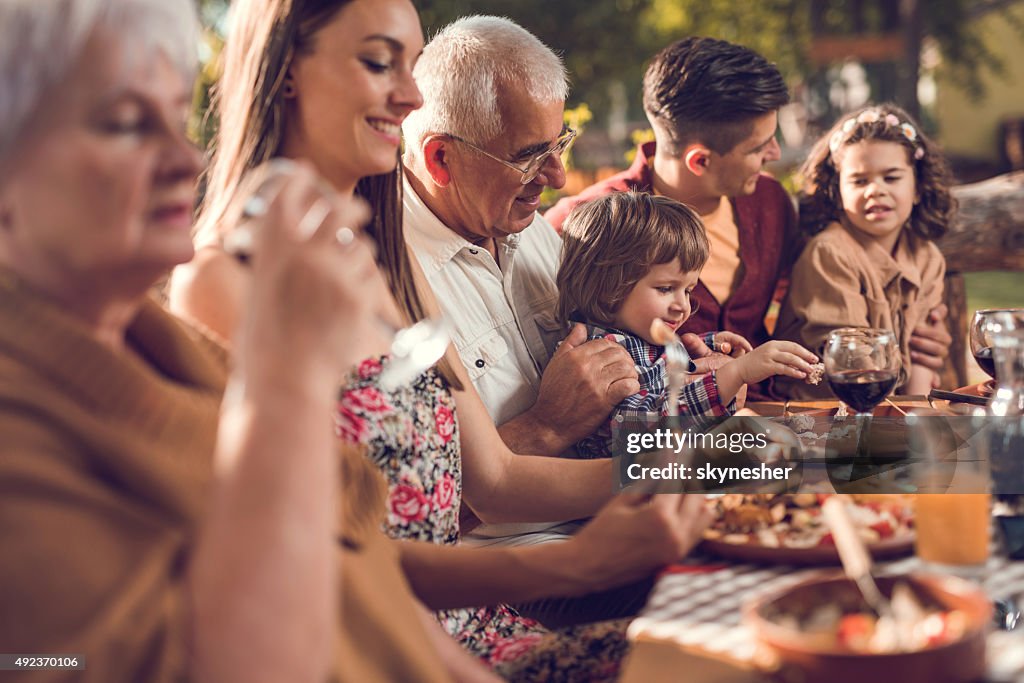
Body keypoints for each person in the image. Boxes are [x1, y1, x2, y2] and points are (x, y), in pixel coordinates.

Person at [171, 1, 713, 677]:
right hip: (448, 614)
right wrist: (590, 539)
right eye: (379, 62)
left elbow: (494, 473)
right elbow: (338, 554)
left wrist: (770, 458)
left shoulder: (387, 252)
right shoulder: (226, 280)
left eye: (558, 148)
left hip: (482, 605)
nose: (411, 92)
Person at [0, 1, 478, 681]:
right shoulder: (234, 288)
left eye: (174, 114)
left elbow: (374, 559)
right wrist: (289, 367)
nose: (182, 156)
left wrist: (669, 466)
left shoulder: (162, 342)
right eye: (127, 123)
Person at [545, 37, 952, 398]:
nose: (775, 154)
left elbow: (834, 277)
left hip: (779, 418)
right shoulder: (585, 226)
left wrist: (915, 330)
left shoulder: (769, 203)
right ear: (700, 160)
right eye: (759, 147)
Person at [557, 192, 819, 457]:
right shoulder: (602, 357)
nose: (682, 306)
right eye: (666, 288)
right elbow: (646, 431)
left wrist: (708, 343)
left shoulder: (638, 337)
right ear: (607, 288)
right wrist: (736, 373)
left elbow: (658, 366)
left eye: (688, 290)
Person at [774, 104, 956, 400]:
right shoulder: (829, 253)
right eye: (860, 181)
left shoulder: (927, 257)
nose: (875, 190)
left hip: (890, 406)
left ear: (918, 187)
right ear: (837, 191)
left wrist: (918, 412)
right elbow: (854, 363)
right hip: (818, 411)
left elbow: (921, 351)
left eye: (891, 177)